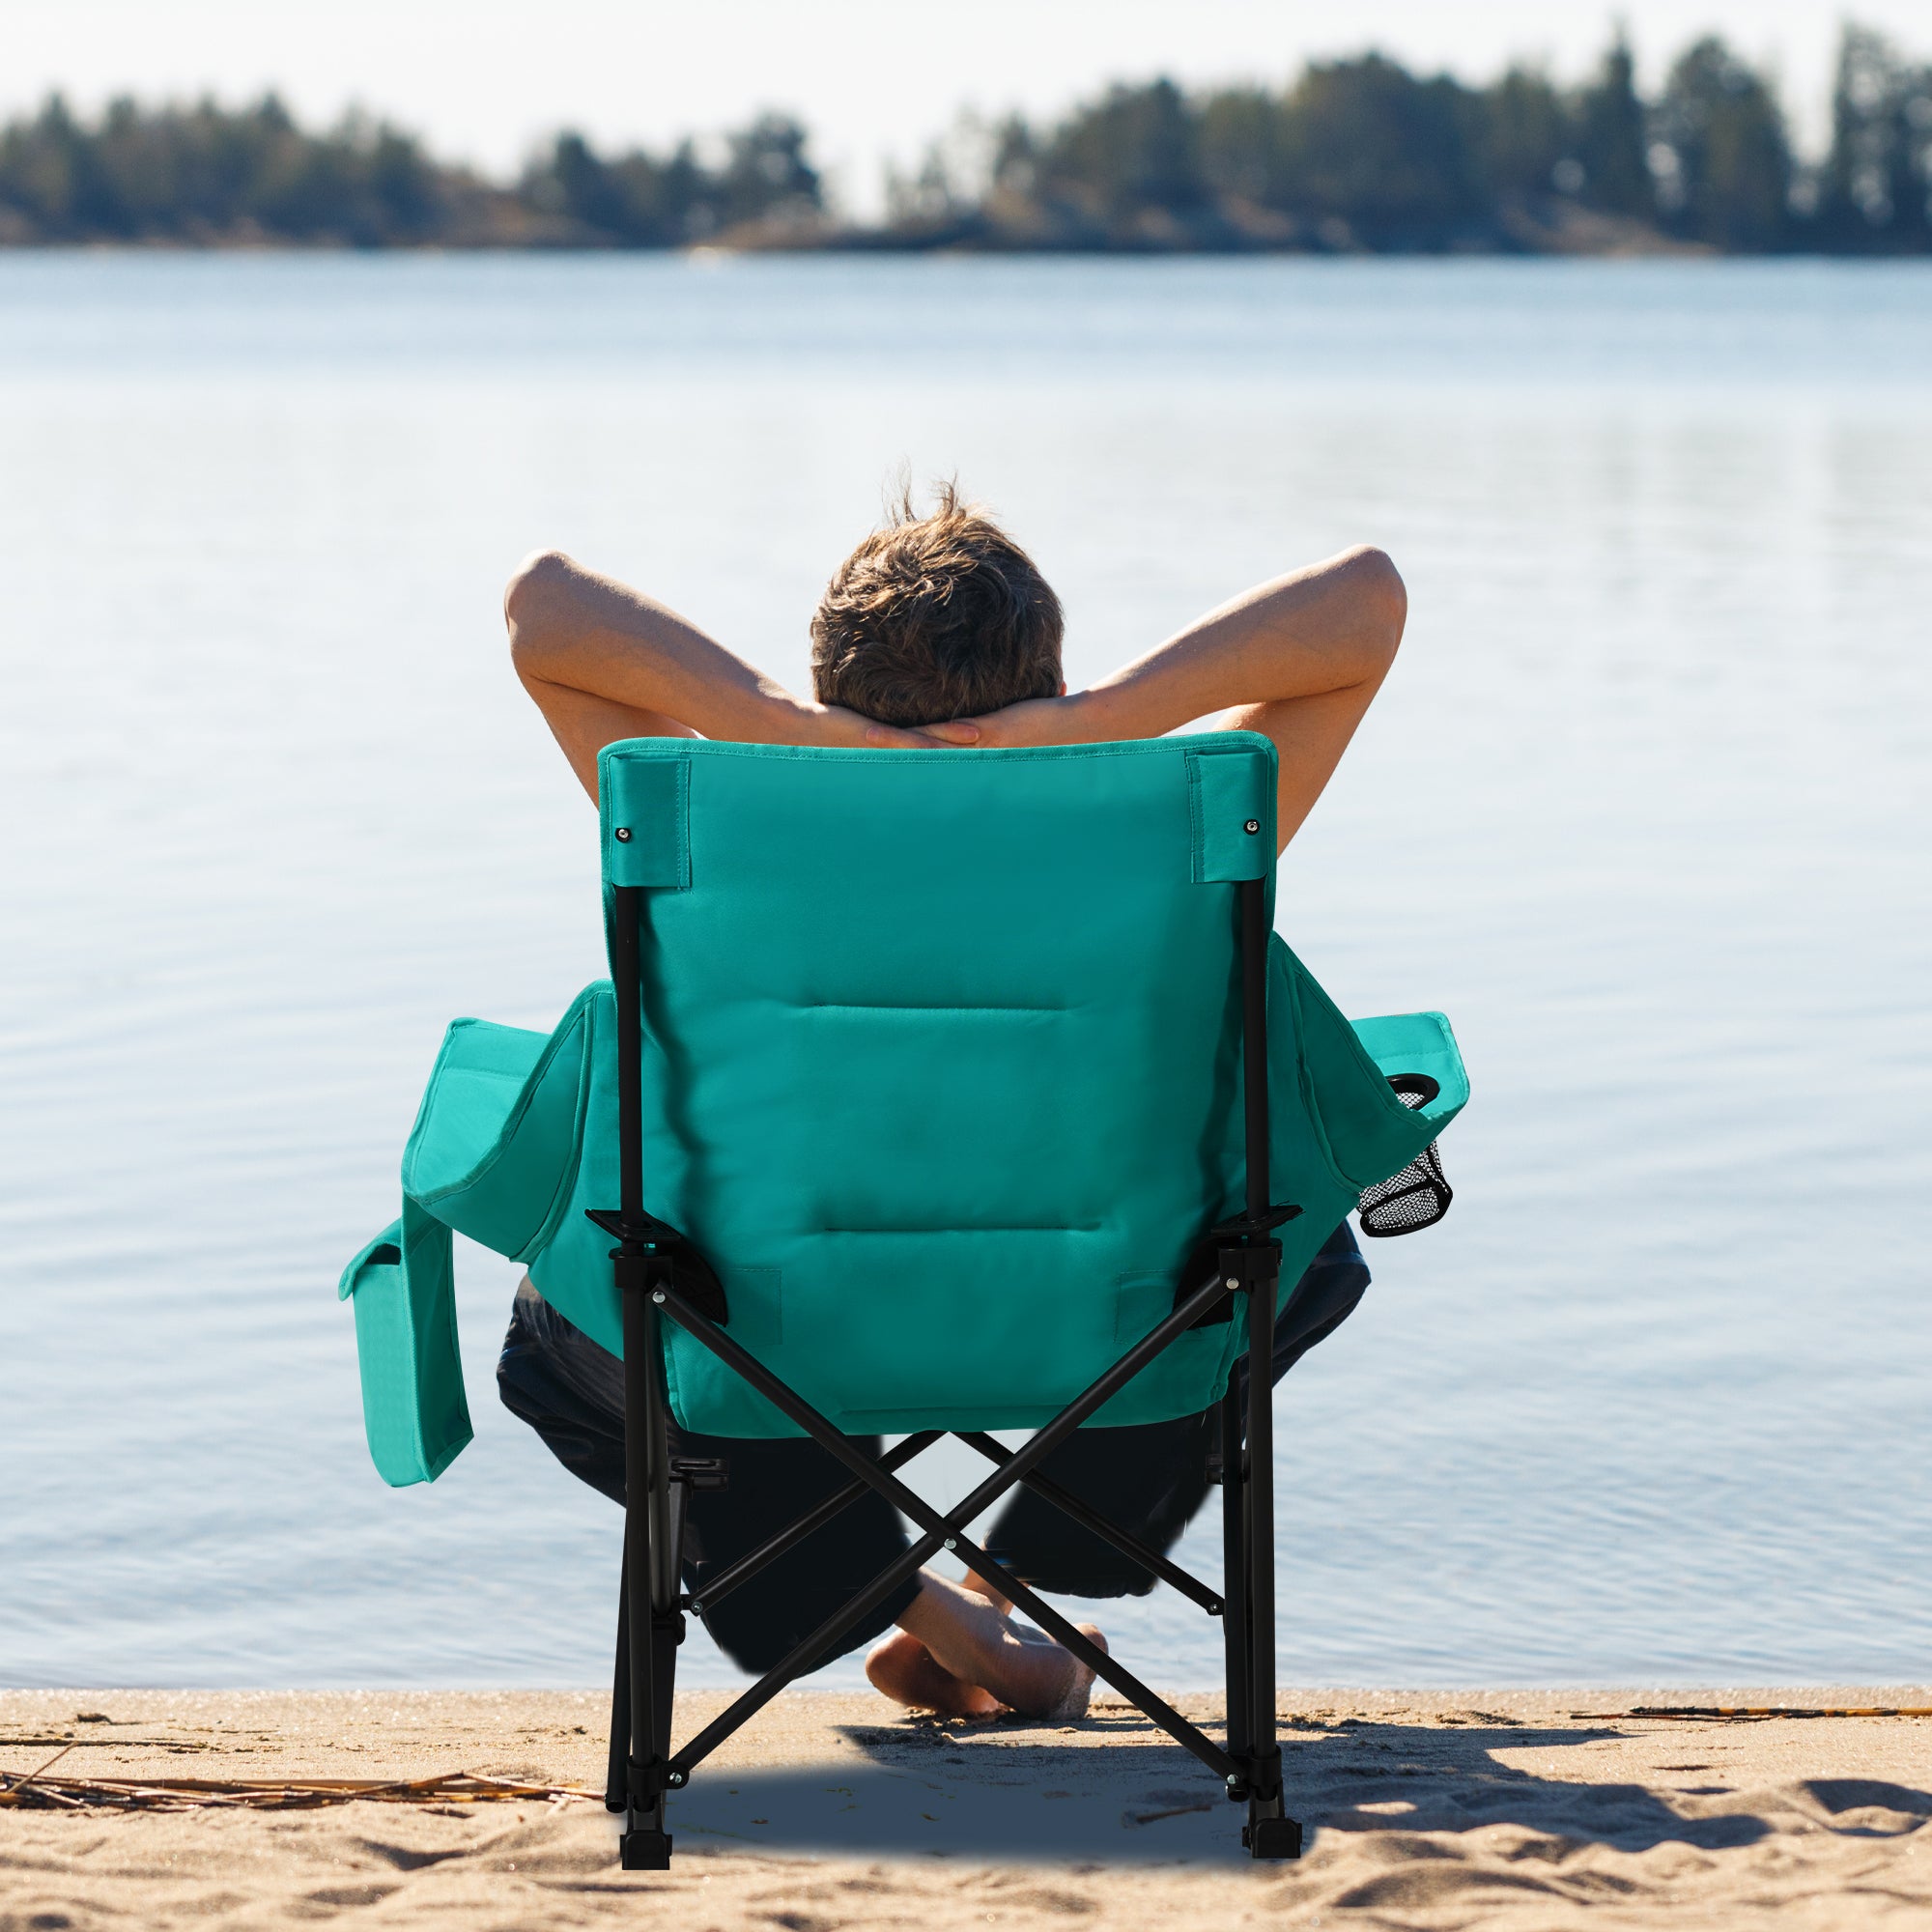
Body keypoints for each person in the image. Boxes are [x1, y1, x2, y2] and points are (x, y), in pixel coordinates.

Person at [495, 484, 1406, 1719]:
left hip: (776, 1336)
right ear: (1044, 673)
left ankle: (930, 1604)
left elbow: (539, 608)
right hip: (1100, 1333)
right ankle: (994, 1588)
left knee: (578, 1329)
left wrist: (772, 724)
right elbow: (1367, 599)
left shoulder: (712, 831)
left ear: (828, 687)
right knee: (1296, 1250)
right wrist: (1101, 721)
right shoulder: (1161, 835)